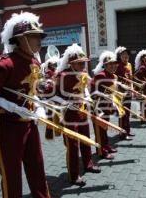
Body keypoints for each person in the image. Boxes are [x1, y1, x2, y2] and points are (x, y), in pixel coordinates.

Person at [0, 12, 50, 197]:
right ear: (20, 39)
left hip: (30, 124)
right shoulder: (4, 65)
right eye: (34, 36)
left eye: (40, 36)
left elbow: (34, 90)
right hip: (7, 128)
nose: (39, 40)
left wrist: (39, 107)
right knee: (12, 176)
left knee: (38, 169)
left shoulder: (35, 62)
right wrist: (11, 107)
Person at [54, 43, 101, 186]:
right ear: (71, 63)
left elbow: (85, 90)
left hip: (82, 112)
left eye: (83, 63)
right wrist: (67, 102)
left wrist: (88, 99)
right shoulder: (61, 76)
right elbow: (52, 96)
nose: (82, 66)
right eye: (79, 63)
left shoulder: (83, 74)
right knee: (73, 146)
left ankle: (88, 164)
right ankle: (74, 175)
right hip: (68, 116)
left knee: (86, 140)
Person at [90, 51, 118, 159]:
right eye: (110, 64)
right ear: (105, 65)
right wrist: (103, 96)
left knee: (105, 128)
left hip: (107, 106)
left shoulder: (113, 76)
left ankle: (106, 146)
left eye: (114, 64)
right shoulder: (99, 76)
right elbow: (93, 92)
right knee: (100, 131)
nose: (113, 66)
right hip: (98, 108)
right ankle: (101, 152)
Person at [115, 46, 134, 140]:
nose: (126, 56)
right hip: (120, 92)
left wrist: (132, 89)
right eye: (123, 55)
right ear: (120, 56)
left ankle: (128, 131)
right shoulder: (117, 66)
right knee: (122, 113)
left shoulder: (129, 65)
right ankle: (122, 133)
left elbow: (130, 79)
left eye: (127, 55)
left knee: (128, 112)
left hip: (129, 91)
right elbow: (115, 80)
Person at [134, 50, 146, 123]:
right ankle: (143, 118)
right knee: (143, 103)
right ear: (143, 59)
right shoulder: (142, 67)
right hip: (142, 87)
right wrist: (145, 81)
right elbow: (138, 77)